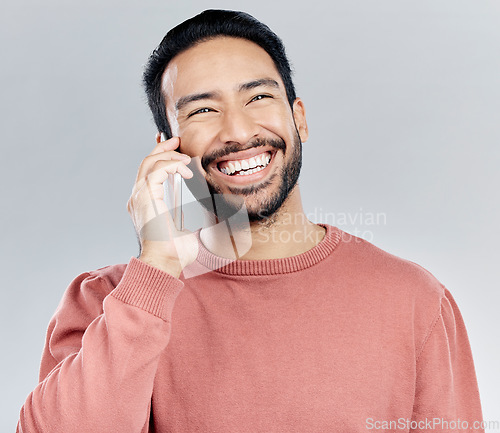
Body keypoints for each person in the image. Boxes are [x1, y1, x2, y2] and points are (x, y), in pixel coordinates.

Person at [17, 9, 484, 433]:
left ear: (298, 119)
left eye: (258, 97)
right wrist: (157, 267)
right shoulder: (107, 302)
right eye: (202, 110)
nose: (239, 132)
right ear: (167, 147)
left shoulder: (414, 300)